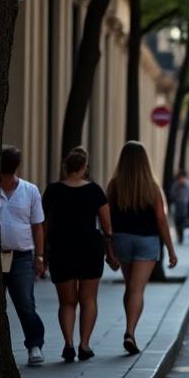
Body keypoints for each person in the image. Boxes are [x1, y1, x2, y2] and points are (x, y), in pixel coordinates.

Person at [43, 147, 118, 362]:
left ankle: (68, 344)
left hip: (61, 248)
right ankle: (84, 345)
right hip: (89, 249)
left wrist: (42, 252)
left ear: (66, 167)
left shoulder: (53, 190)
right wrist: (110, 252)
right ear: (85, 167)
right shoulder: (95, 190)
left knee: (66, 302)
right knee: (88, 299)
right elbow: (107, 225)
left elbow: (44, 223)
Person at [108, 141, 178, 355]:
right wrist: (170, 249)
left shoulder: (114, 185)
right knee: (138, 290)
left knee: (130, 287)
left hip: (121, 239)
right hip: (147, 240)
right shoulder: (152, 187)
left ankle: (129, 329)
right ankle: (130, 332)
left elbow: (106, 218)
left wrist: (108, 249)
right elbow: (161, 219)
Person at [0, 146, 47, 367]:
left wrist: (39, 255)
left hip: (21, 256)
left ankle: (34, 345)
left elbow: (38, 225)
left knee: (25, 303)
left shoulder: (29, 190)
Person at [168, 170, 189, 244]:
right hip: (177, 206)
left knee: (186, 222)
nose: (181, 179)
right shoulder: (175, 185)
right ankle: (180, 236)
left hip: (187, 207)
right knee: (178, 222)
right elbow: (171, 195)